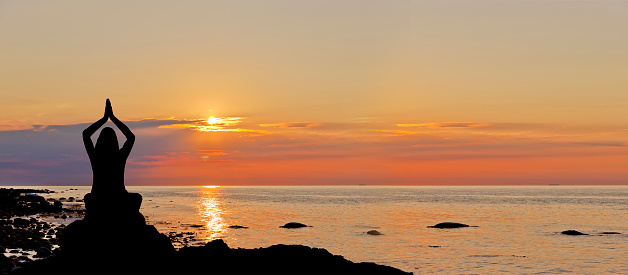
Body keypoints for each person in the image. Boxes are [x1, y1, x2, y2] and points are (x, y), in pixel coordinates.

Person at [83, 99, 135, 195]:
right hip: (117, 195)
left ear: (98, 142)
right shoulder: (119, 157)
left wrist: (104, 119)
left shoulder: (95, 157)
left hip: (98, 195)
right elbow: (131, 137)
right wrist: (113, 118)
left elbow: (86, 134)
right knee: (136, 197)